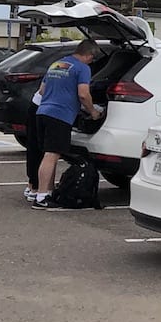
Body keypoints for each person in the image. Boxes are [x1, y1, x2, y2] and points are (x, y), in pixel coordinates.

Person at [31, 40, 105, 209]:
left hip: (42, 112)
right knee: (52, 155)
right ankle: (41, 197)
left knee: (48, 155)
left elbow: (42, 90)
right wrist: (93, 112)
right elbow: (83, 94)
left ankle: (46, 193)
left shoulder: (57, 64)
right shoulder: (82, 68)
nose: (91, 62)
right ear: (89, 55)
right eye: (92, 59)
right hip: (60, 116)